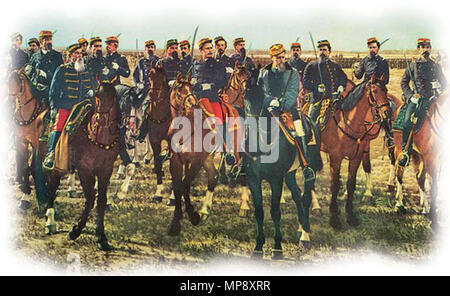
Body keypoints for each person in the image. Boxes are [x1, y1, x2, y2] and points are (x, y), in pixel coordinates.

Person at [258, 43, 312, 179]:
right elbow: (261, 91)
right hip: (268, 109)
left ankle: (305, 164)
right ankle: (247, 164)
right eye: (277, 58)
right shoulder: (264, 72)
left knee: (299, 131)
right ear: (272, 58)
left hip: (288, 110)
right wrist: (269, 101)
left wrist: (281, 104)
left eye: (282, 57)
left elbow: (293, 92)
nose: (281, 60)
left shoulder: (292, 72)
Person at [43, 43, 96, 169]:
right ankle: (50, 154)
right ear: (70, 55)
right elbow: (53, 91)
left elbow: (95, 84)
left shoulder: (86, 69)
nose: (79, 56)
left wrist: (92, 90)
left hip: (84, 105)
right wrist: (54, 108)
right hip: (66, 105)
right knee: (59, 125)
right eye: (76, 53)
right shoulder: (62, 69)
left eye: (80, 54)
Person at [398, 38, 447, 167]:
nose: (425, 49)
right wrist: (410, 96)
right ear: (418, 49)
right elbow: (403, 83)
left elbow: (445, 83)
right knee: (408, 120)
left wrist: (439, 87)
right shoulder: (413, 66)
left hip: (433, 98)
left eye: (427, 47)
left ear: (430, 48)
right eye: (422, 47)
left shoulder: (435, 66)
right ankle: (406, 151)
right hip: (417, 99)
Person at [302, 39, 347, 123]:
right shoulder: (311, 66)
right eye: (320, 50)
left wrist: (342, 86)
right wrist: (315, 88)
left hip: (333, 100)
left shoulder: (335, 65)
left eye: (325, 50)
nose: (322, 52)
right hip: (316, 100)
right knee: (310, 121)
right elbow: (305, 82)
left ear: (329, 52)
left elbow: (343, 78)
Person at [25, 30, 63, 107]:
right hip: (36, 89)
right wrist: (29, 72)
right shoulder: (35, 56)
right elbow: (30, 74)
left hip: (50, 89)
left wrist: (46, 75)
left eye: (50, 39)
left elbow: (60, 75)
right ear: (41, 41)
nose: (49, 42)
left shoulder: (57, 56)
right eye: (46, 40)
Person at [134, 40, 161, 142]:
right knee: (140, 106)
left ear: (154, 49)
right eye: (148, 47)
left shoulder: (159, 61)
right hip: (145, 89)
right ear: (145, 49)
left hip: (157, 90)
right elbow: (135, 75)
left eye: (151, 47)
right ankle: (141, 131)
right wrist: (137, 84)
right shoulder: (141, 62)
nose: (150, 49)